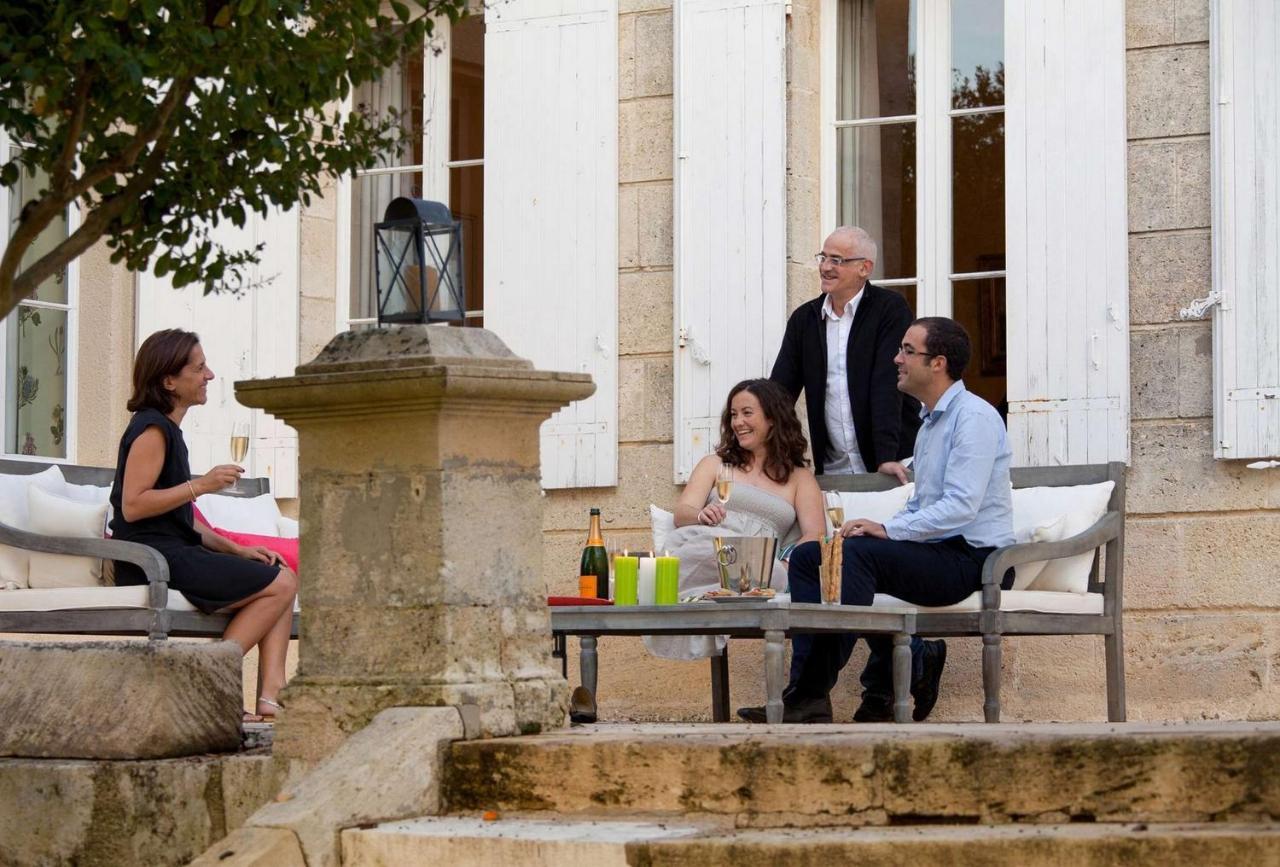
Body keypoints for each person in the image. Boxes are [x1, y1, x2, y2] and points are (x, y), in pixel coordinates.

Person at [739, 317, 1014, 723]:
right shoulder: (931, 422)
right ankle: (886, 667)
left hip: (975, 560)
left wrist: (888, 530)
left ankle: (815, 695)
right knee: (810, 556)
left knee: (855, 557)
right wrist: (883, 529)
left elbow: (961, 507)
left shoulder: (973, 418)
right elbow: (924, 504)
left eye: (907, 350)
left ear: (937, 363)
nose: (896, 358)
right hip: (936, 551)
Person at [109, 329, 299, 722]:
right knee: (281, 584)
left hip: (174, 551)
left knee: (276, 572)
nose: (210, 375)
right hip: (151, 559)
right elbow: (133, 506)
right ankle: (211, 681)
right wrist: (202, 484)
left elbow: (183, 518)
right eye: (200, 368)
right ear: (169, 381)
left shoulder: (169, 430)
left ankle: (271, 696)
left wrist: (236, 549)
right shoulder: (151, 430)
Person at [645, 379, 825, 660]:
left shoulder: (799, 478)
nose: (738, 422)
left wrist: (787, 561)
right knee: (706, 551)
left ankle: (698, 597)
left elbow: (815, 534)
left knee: (774, 575)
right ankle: (679, 595)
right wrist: (702, 515)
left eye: (747, 413)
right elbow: (683, 513)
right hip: (708, 542)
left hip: (758, 564)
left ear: (773, 419)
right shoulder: (715, 464)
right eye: (733, 414)